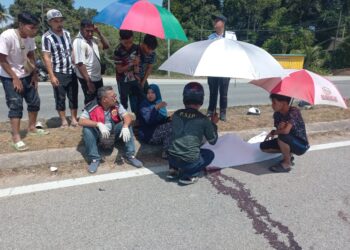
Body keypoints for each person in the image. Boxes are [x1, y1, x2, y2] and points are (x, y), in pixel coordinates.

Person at [0, 12, 49, 151]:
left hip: (27, 74)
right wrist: (15, 78)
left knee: (34, 102)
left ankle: (32, 127)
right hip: (9, 76)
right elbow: (2, 60)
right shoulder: (7, 36)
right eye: (31, 27)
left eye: (36, 28)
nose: (35, 31)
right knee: (15, 105)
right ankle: (16, 138)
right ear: (21, 25)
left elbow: (31, 55)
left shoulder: (29, 37)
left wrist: (34, 74)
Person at [78, 86, 143, 173]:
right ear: (104, 99)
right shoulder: (92, 106)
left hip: (113, 133)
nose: (115, 98)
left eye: (115, 95)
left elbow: (127, 116)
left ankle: (130, 156)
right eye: (113, 96)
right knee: (87, 130)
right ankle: (94, 159)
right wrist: (98, 124)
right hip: (99, 135)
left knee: (127, 125)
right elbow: (81, 121)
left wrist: (125, 126)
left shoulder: (116, 104)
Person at [167, 82, 219, 185]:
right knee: (209, 154)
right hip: (188, 162)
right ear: (201, 100)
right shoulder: (203, 119)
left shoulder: (176, 114)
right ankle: (190, 175)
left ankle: (174, 170)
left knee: (180, 144)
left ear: (184, 98)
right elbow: (213, 141)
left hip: (171, 158)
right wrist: (213, 123)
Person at [42, 9, 78, 128]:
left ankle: (73, 119)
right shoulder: (47, 37)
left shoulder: (67, 33)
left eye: (60, 20)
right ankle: (63, 120)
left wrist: (74, 60)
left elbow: (71, 50)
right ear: (50, 22)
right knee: (60, 97)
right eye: (56, 21)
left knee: (73, 96)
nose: (59, 23)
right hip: (58, 72)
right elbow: (46, 57)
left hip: (71, 71)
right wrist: (51, 75)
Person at [260, 94, 310, 172]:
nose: (272, 105)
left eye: (274, 102)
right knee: (263, 146)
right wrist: (279, 128)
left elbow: (285, 131)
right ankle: (289, 155)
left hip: (300, 145)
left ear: (283, 103)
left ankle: (287, 163)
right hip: (287, 141)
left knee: (283, 137)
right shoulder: (277, 114)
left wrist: (274, 132)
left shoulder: (294, 112)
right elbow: (280, 130)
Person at [73, 19, 110, 105]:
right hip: (88, 78)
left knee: (100, 100)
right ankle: (88, 118)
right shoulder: (79, 42)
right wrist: (88, 82)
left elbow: (106, 46)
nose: (90, 33)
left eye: (92, 31)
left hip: (97, 77)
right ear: (81, 29)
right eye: (87, 31)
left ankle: (97, 118)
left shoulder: (93, 39)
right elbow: (80, 63)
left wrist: (99, 32)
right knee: (91, 102)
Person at [207, 14, 231, 122]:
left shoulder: (230, 37)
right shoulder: (210, 37)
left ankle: (223, 112)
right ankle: (211, 110)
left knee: (224, 93)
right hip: (212, 68)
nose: (215, 23)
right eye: (215, 22)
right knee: (213, 91)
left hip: (225, 69)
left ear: (223, 24)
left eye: (217, 21)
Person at [138, 84, 171, 158]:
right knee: (171, 127)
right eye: (148, 93)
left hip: (157, 131)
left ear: (157, 93)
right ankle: (166, 153)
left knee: (175, 123)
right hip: (148, 135)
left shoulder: (158, 102)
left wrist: (168, 119)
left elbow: (161, 120)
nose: (150, 95)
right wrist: (156, 108)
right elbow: (149, 121)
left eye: (153, 93)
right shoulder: (144, 105)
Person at [114, 30, 142, 115]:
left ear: (132, 38)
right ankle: (123, 119)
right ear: (120, 40)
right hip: (122, 80)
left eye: (130, 42)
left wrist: (137, 67)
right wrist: (131, 64)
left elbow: (137, 66)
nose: (128, 45)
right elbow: (119, 70)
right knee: (123, 100)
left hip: (134, 78)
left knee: (137, 98)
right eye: (126, 43)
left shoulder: (137, 48)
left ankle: (138, 118)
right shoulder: (117, 51)